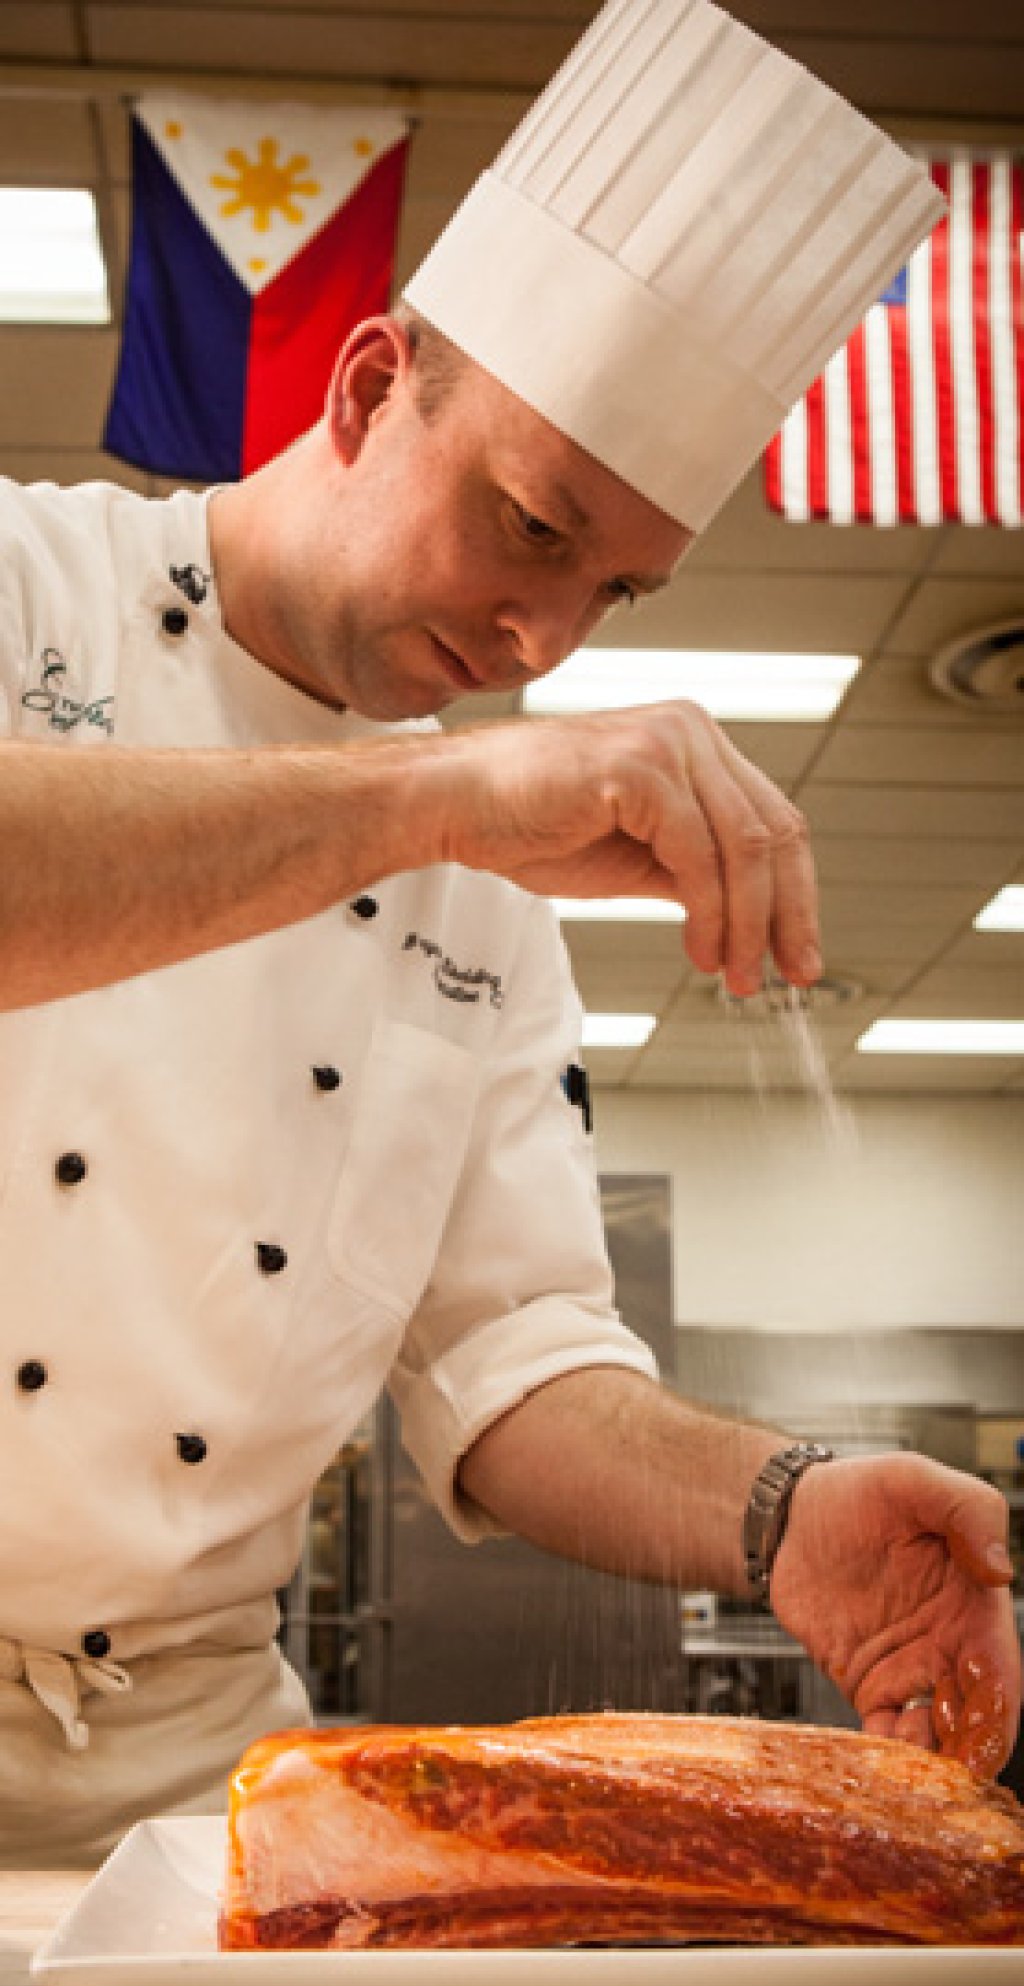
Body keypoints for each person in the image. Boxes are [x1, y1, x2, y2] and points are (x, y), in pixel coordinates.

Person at [0, 3, 1018, 1863]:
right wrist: (444, 793)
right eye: (534, 525)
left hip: (189, 1788)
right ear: (373, 385)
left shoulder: (490, 897)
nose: (549, 641)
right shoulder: (25, 588)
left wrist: (781, 1501)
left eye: (612, 587)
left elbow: (513, 1361)